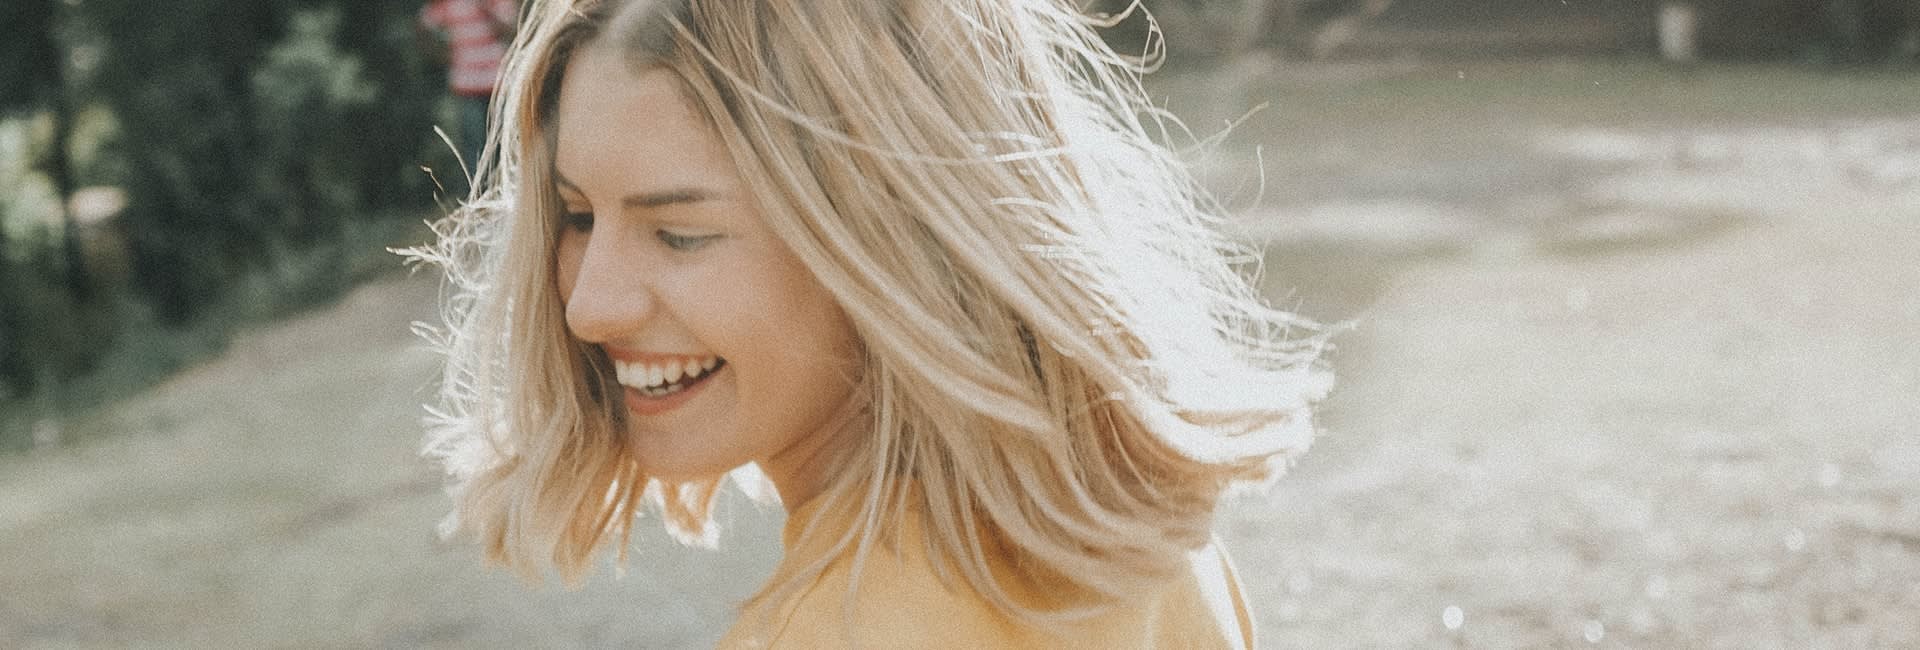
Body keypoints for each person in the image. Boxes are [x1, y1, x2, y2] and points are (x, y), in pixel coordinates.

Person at [408, 0, 1329, 646]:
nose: (587, 302)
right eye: (576, 216)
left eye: (680, 233)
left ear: (888, 241)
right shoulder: (1135, 545)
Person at [418, 0, 520, 175]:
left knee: (506, 143)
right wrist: (441, 55)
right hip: (466, 87)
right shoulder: (448, 3)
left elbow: (511, 31)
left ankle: (508, 192)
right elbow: (424, 25)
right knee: (474, 148)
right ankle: (478, 195)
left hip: (499, 86)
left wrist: (486, 8)